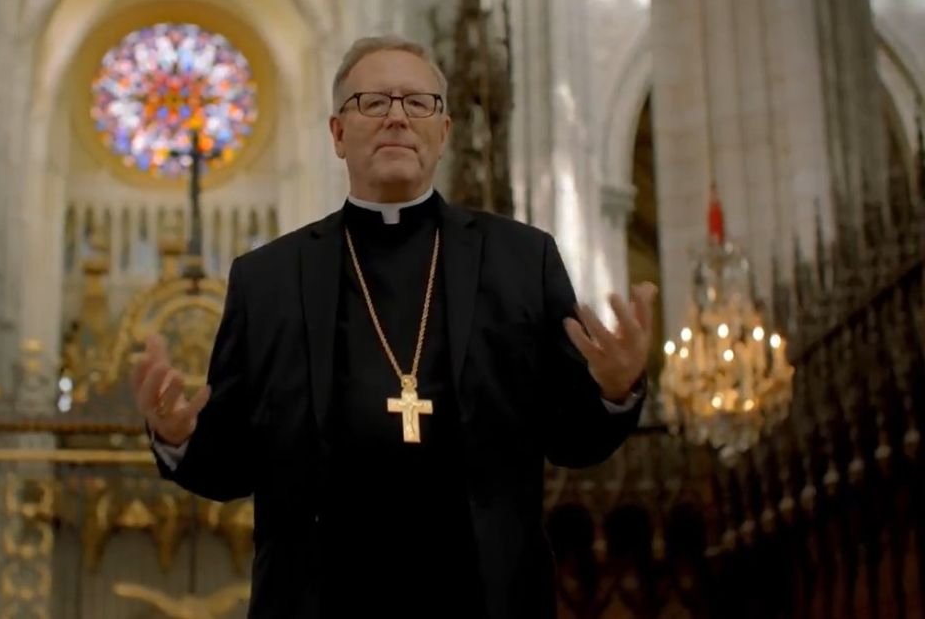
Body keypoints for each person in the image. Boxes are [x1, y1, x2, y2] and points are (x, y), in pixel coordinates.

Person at [132, 36, 656, 619]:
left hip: (483, 596)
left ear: (444, 130)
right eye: (374, 103)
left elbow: (571, 440)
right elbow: (231, 465)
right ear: (337, 133)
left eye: (418, 103)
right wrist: (179, 438)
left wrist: (613, 392)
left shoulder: (521, 260)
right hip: (320, 599)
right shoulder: (267, 280)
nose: (398, 118)